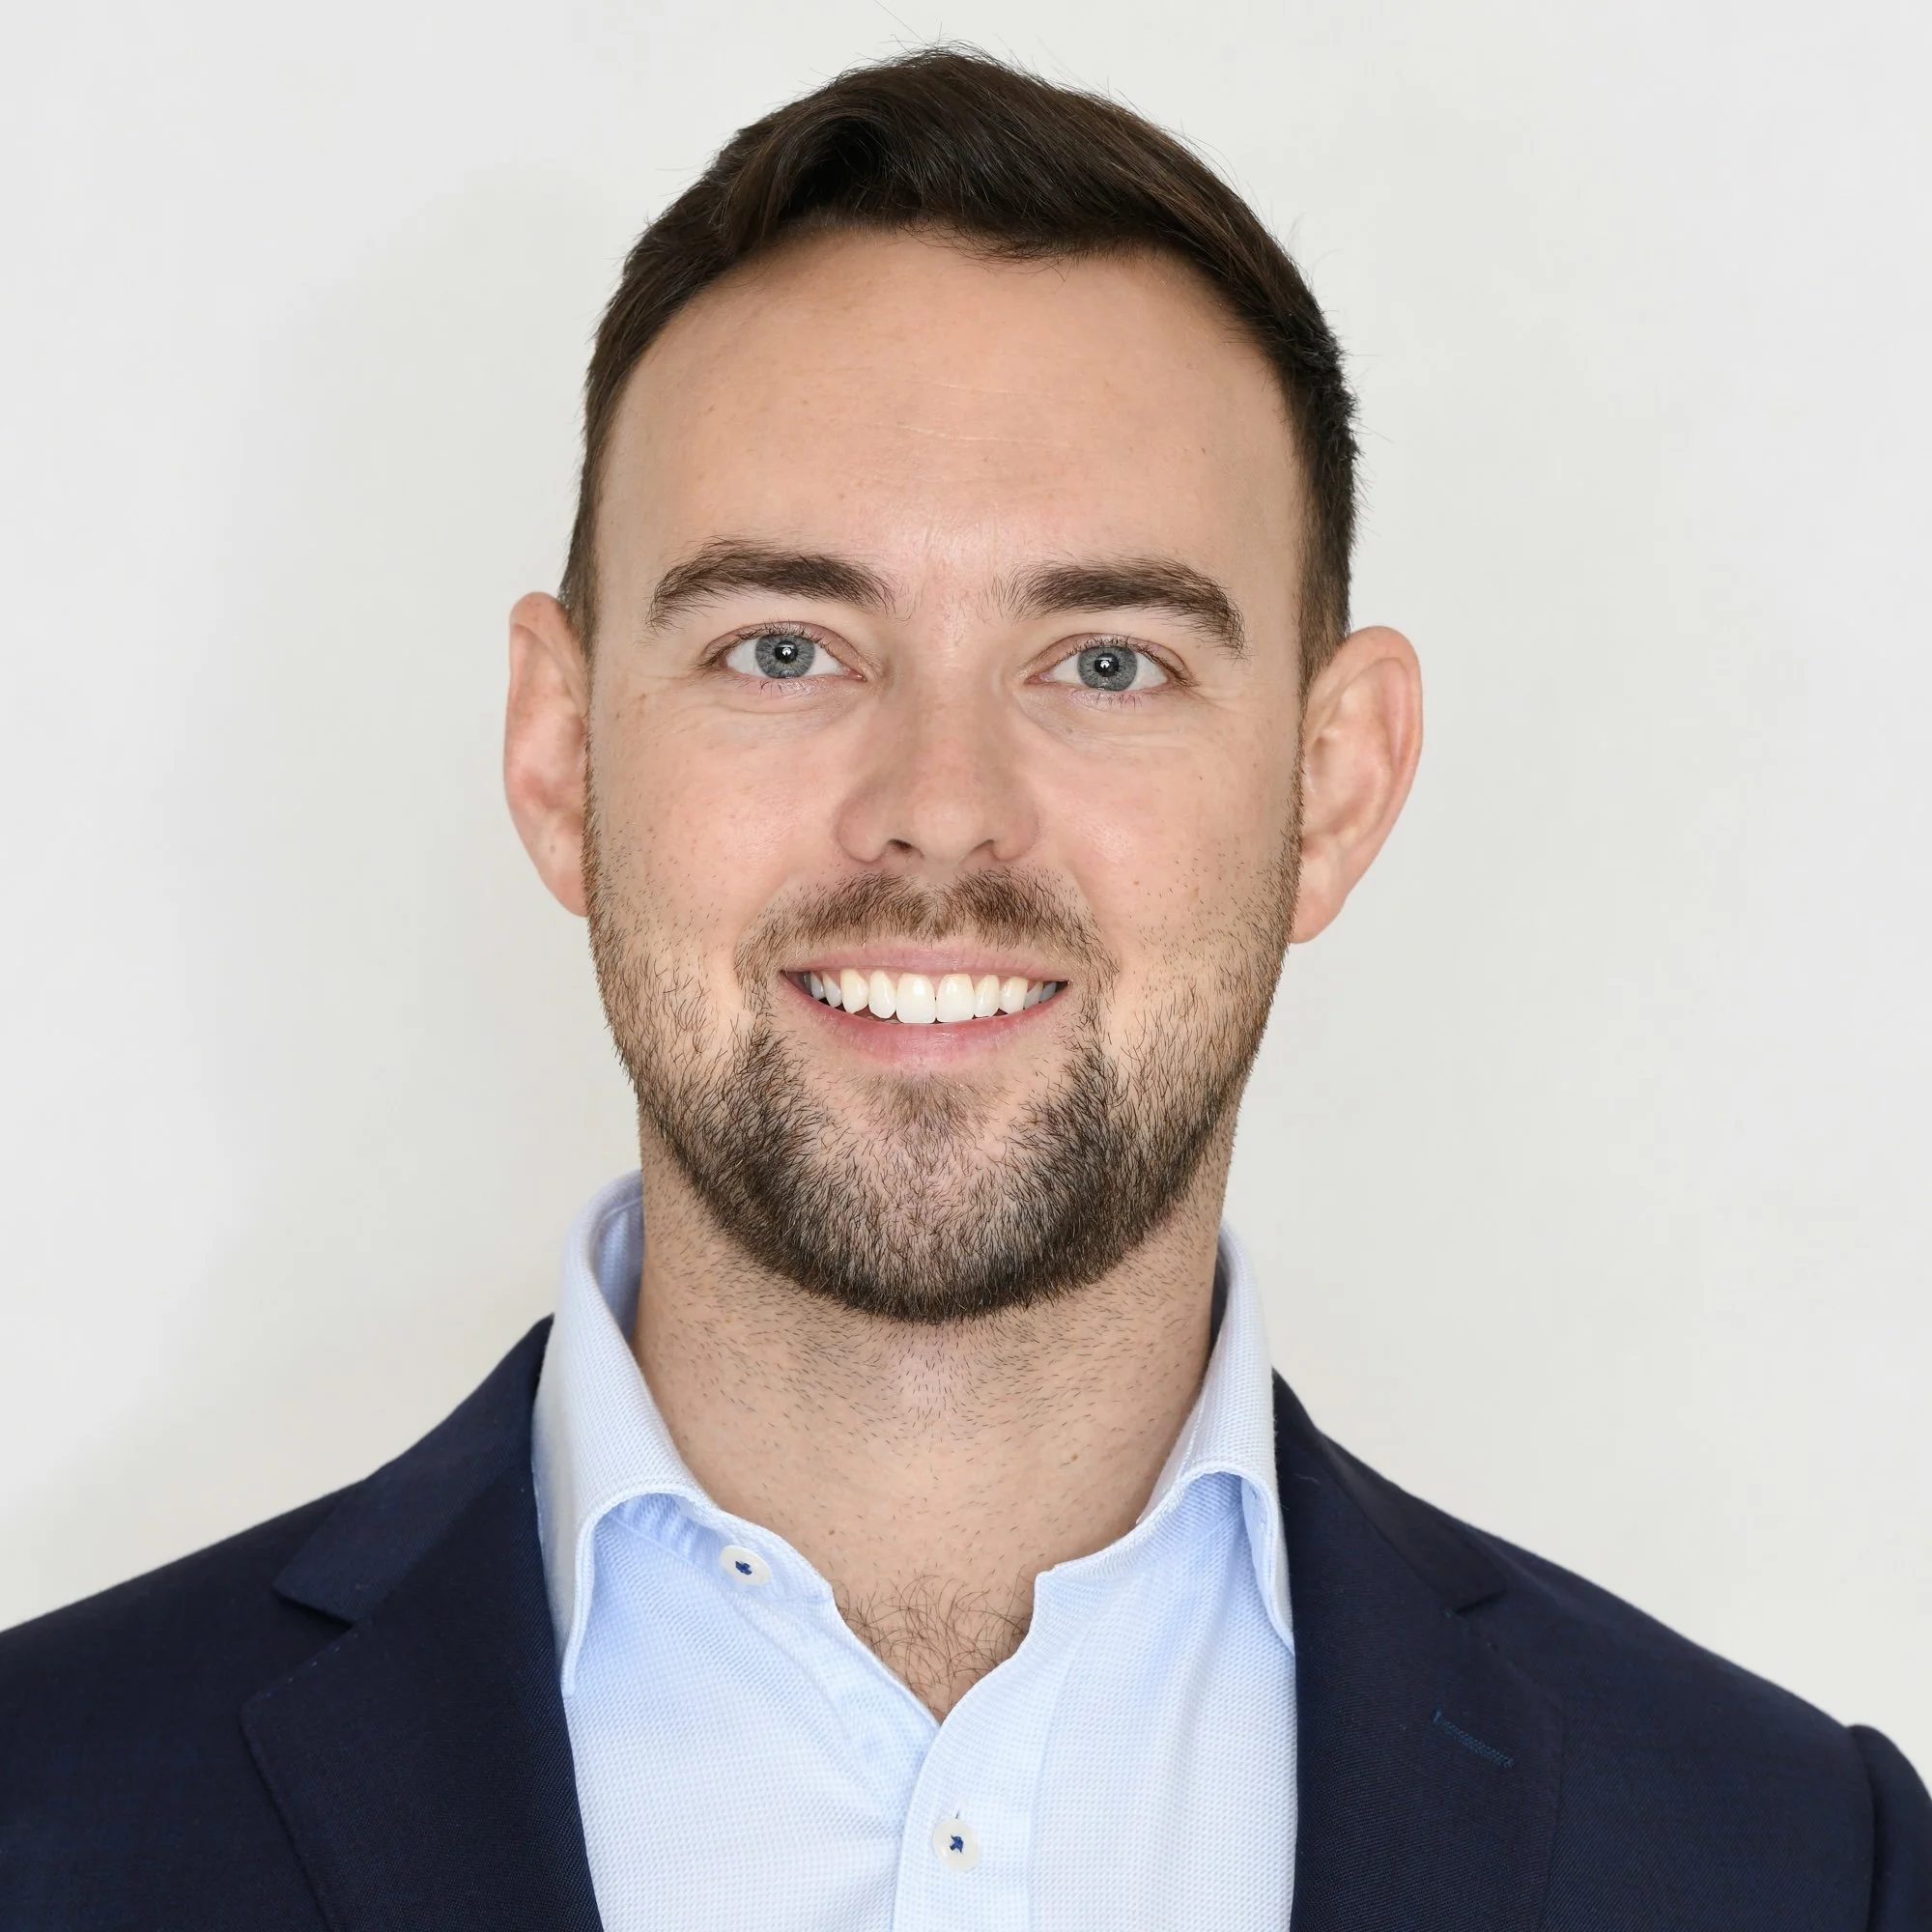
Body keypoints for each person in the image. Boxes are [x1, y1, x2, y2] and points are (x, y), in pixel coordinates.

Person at [2, 46, 1925, 1932]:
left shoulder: (1791, 1865)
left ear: (1332, 786)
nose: (936, 811)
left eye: (1103, 663)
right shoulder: (43, 1815)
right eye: (783, 647)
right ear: (558, 753)